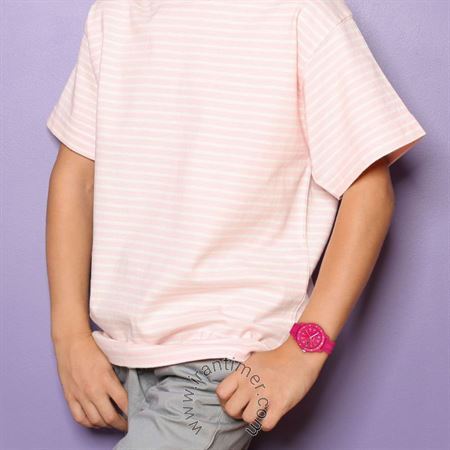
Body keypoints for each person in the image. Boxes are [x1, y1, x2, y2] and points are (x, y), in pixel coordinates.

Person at [45, 1, 427, 449]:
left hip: (224, 363)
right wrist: (69, 336)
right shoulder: (116, 13)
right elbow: (77, 176)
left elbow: (370, 190)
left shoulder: (303, 15)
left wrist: (305, 350)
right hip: (118, 356)